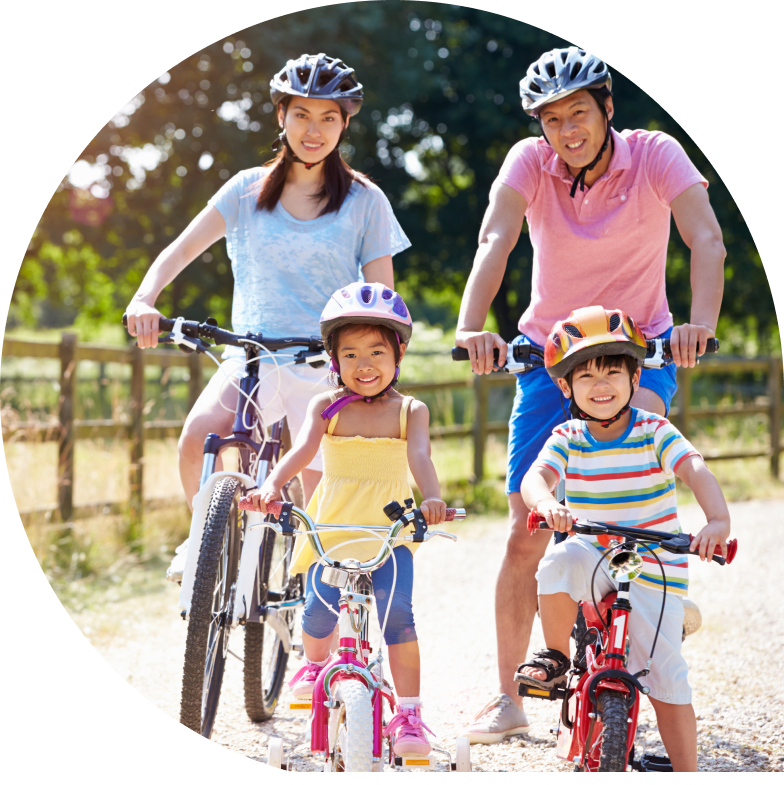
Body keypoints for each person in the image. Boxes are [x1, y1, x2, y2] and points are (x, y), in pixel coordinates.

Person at [456, 47, 726, 742]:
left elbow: (706, 239)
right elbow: (496, 236)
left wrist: (701, 324)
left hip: (640, 350)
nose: (566, 129)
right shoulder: (529, 163)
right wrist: (469, 325)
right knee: (526, 527)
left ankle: (655, 610)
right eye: (551, 119)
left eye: (579, 111)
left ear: (607, 107)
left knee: (641, 474)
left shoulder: (655, 154)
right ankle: (512, 695)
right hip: (549, 356)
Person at [123, 54, 410, 578]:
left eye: (328, 117)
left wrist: (375, 363)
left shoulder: (366, 201)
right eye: (302, 114)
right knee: (197, 438)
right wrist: (146, 298)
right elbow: (178, 251)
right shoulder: (245, 190)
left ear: (345, 122)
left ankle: (329, 627)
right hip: (251, 358)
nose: (314, 129)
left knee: (327, 524)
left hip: (327, 368)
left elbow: (380, 299)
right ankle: (203, 545)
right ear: (281, 116)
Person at [514, 306, 731, 771]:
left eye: (614, 370)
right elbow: (536, 478)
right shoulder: (568, 435)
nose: (601, 384)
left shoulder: (654, 430)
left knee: (667, 675)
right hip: (595, 551)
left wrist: (716, 522)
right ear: (565, 387)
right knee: (555, 562)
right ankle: (555, 655)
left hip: (654, 562)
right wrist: (546, 504)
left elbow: (695, 470)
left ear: (636, 377)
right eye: (586, 375)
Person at [245, 281, 446, 757]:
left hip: (390, 534)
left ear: (398, 354)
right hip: (332, 530)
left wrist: (433, 498)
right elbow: (302, 452)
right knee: (316, 614)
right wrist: (272, 486)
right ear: (334, 361)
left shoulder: (410, 411)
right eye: (351, 354)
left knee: (399, 617)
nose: (365, 364)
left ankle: (410, 714)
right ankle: (315, 667)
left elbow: (421, 458)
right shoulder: (326, 408)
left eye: (377, 350)